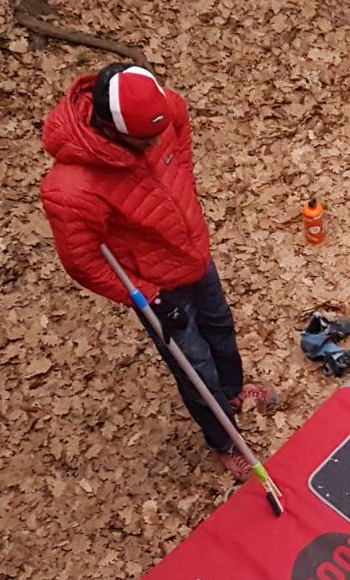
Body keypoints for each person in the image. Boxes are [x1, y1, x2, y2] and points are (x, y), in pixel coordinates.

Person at [41, 62, 278, 478]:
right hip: (156, 286)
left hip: (193, 255)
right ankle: (223, 440)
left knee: (220, 326)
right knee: (195, 368)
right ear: (110, 127)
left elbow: (179, 131)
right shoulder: (71, 188)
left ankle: (234, 390)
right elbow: (82, 261)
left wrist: (179, 177)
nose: (156, 142)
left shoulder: (163, 111)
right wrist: (144, 292)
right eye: (144, 138)